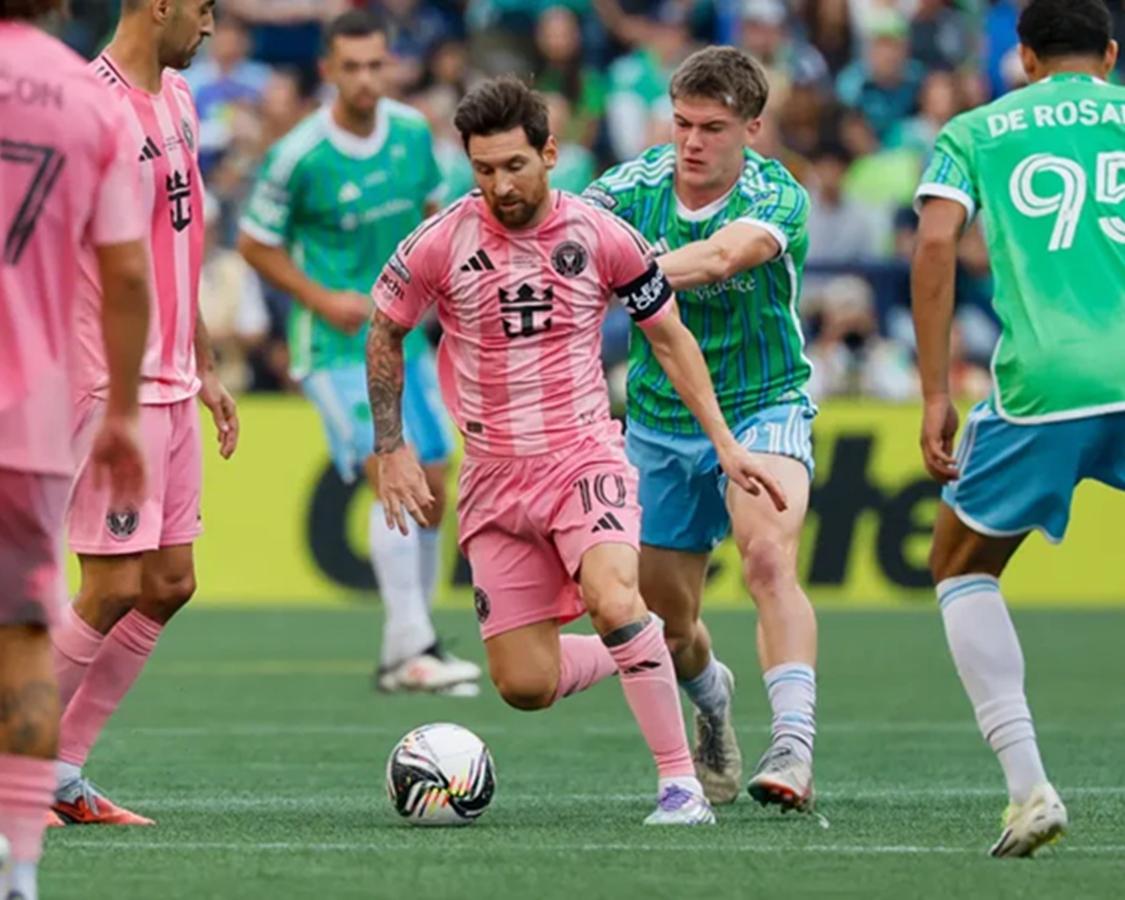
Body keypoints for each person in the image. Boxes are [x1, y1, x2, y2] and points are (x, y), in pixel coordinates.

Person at [368, 76, 787, 825]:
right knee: (524, 685)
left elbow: (669, 338)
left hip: (583, 458)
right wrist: (391, 447)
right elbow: (384, 330)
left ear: (549, 154)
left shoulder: (600, 234)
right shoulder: (439, 241)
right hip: (493, 478)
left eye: (514, 165)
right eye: (484, 170)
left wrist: (724, 442)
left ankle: (680, 787)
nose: (500, 185)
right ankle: (656, 647)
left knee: (614, 598)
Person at [911, 0, 1124, 858]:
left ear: (1025, 58)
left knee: (959, 564)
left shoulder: (975, 130)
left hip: (1046, 381)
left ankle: (1028, 788)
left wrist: (935, 391)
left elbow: (934, 246)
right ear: (1109, 54)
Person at [583, 45, 819, 811]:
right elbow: (563, 241)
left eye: (712, 128)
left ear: (751, 128)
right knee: (668, 622)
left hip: (762, 403)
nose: (690, 142)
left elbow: (719, 258)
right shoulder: (629, 187)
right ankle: (712, 699)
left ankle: (792, 745)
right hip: (658, 420)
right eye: (681, 123)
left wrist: (626, 270)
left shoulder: (776, 196)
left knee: (767, 558)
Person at [239, 9, 479, 694]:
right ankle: (413, 647)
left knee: (431, 480)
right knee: (389, 468)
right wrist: (319, 298)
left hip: (405, 340)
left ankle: (410, 645)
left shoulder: (411, 133)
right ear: (328, 71)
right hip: (337, 346)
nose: (367, 79)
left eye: (377, 65)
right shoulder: (301, 155)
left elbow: (435, 216)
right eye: (352, 68)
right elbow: (254, 243)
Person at [48, 0, 241, 827]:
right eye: (202, 9)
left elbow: (177, 243)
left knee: (167, 583)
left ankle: (60, 771)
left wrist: (205, 365)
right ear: (159, 5)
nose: (210, 27)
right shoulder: (87, 110)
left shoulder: (179, 97)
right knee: (111, 584)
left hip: (173, 379)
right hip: (110, 385)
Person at [0, 0, 150, 889]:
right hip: (30, 415)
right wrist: (124, 411)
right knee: (23, 641)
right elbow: (127, 273)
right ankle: (18, 871)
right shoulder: (90, 99)